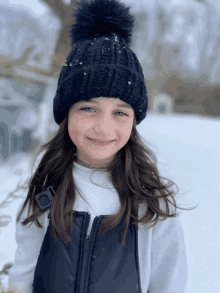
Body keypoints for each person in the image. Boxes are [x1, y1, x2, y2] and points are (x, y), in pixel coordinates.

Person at [6, 0, 197, 292]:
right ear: (66, 112)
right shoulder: (45, 191)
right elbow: (21, 279)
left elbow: (168, 283)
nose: (103, 128)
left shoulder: (152, 205)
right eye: (88, 109)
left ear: (134, 121)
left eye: (120, 112)